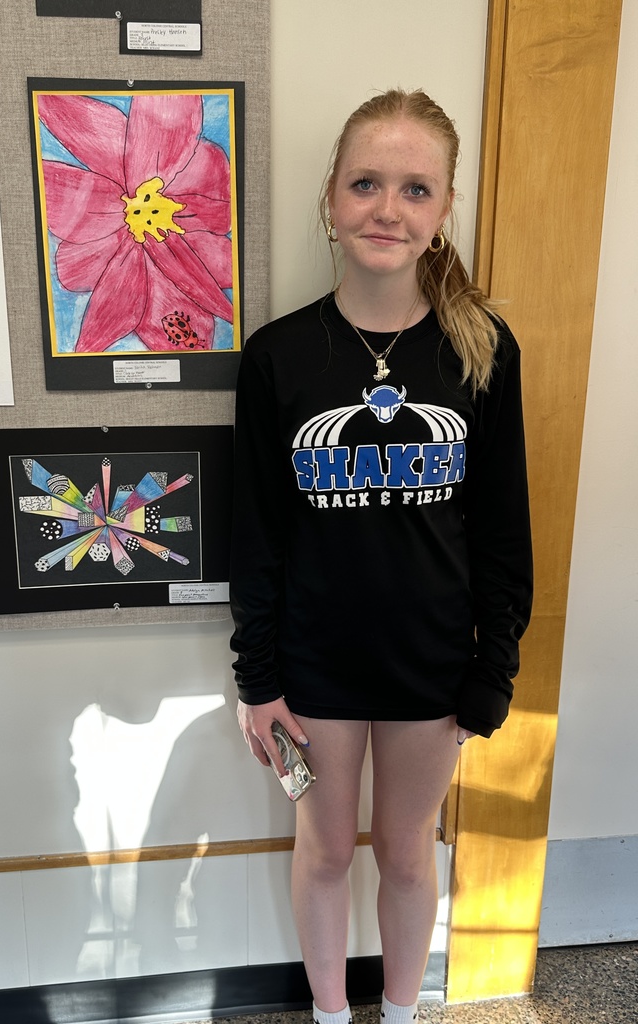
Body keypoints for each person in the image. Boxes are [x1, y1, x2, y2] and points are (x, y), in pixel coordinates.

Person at [229, 89, 533, 1024]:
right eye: (365, 183)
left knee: (406, 855)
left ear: (443, 212)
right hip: (313, 671)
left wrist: (494, 665)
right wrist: (258, 676)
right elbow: (258, 533)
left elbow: (502, 529)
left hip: (430, 667)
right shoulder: (279, 357)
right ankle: (329, 1013)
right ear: (330, 198)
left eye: (414, 188)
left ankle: (400, 1013)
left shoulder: (481, 352)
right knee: (323, 852)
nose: (386, 209)